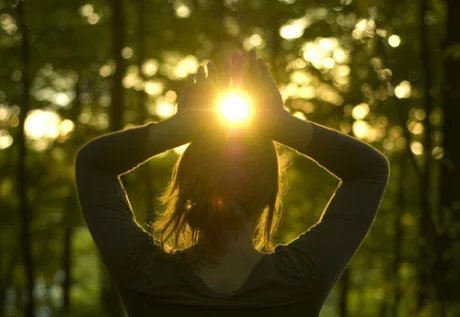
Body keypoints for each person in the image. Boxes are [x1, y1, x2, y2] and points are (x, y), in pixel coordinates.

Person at [74, 50, 389, 316]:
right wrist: (282, 124)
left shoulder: (146, 275)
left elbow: (94, 164)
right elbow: (369, 170)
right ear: (269, 196)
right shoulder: (299, 279)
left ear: (185, 186)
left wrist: (179, 128)